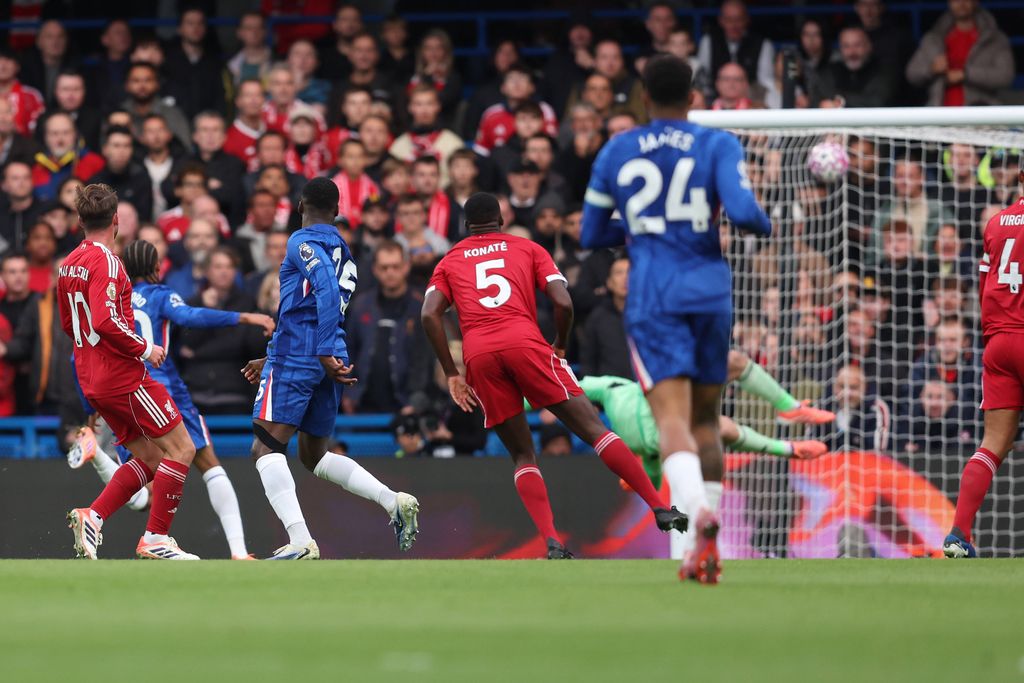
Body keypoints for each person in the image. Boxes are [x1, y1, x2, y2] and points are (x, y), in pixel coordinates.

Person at [581, 55, 772, 583]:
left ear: (643, 98)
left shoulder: (618, 149)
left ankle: (696, 517)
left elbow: (591, 232)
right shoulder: (718, 143)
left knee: (671, 421)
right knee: (706, 421)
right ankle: (706, 547)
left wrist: (645, 230)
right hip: (710, 293)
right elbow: (747, 214)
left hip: (654, 295)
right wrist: (763, 222)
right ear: (694, 98)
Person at [422, 192, 688, 560]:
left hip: (479, 354)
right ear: (501, 219)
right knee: (595, 430)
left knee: (522, 455)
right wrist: (560, 345)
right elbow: (563, 301)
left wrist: (453, 373)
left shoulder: (449, 261)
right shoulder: (527, 248)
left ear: (466, 226)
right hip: (525, 342)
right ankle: (660, 506)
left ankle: (552, 540)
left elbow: (428, 315)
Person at [242, 177, 419, 560]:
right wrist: (275, 352)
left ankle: (300, 541)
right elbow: (306, 304)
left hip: (305, 353)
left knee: (264, 447)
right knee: (313, 455)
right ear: (337, 211)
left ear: (300, 204)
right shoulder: (344, 250)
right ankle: (392, 501)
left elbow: (322, 287)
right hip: (325, 353)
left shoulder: (299, 241)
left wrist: (313, 349)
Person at [67, 240, 275, 559]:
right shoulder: (159, 295)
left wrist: (89, 409)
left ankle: (94, 513)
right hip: (154, 386)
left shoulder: (113, 295)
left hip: (112, 388)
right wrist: (245, 317)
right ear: (157, 268)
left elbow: (80, 348)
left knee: (148, 466)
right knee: (201, 459)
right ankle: (227, 549)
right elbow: (191, 316)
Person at [60, 184, 199, 560]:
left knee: (153, 458)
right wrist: (145, 348)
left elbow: (69, 325)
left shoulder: (70, 263)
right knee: (183, 448)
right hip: (122, 377)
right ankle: (155, 537)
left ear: (79, 220)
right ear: (117, 220)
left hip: (93, 379)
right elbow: (105, 321)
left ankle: (94, 515)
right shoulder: (107, 262)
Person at [943, 164, 1024, 559]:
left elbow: (985, 284)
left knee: (993, 444)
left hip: (998, 343)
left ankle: (958, 533)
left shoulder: (995, 223)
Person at [906, 0, 1014, 107]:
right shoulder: (933, 39)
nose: (961, 3)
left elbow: (1005, 76)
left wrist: (966, 74)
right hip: (938, 115)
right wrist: (932, 69)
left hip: (982, 115)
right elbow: (912, 74)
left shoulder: (995, 39)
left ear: (976, 2)